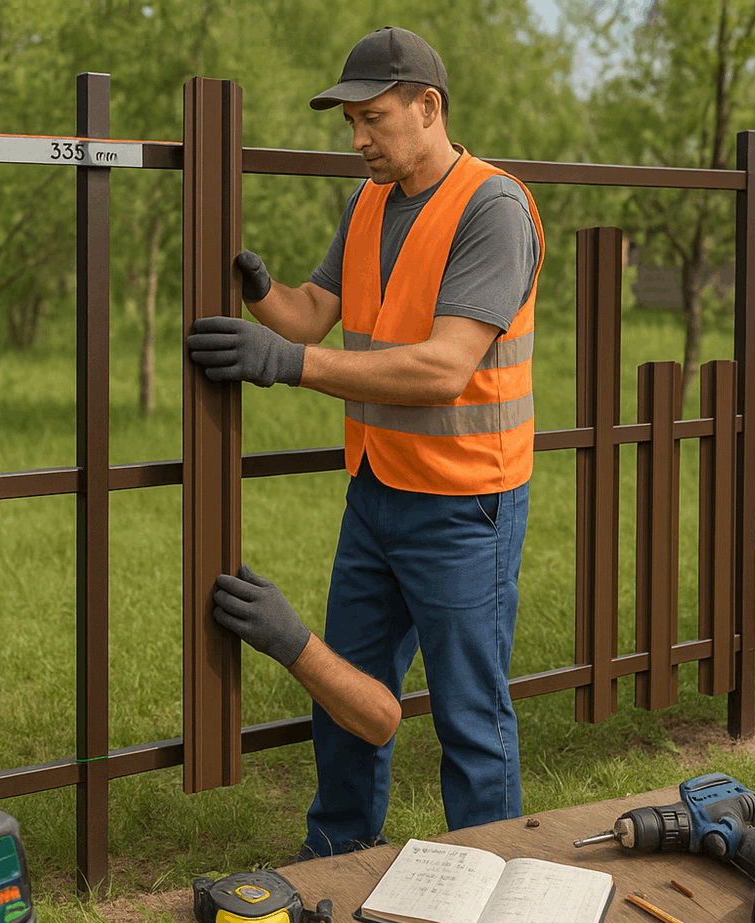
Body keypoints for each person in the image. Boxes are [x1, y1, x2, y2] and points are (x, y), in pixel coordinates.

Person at [188, 24, 544, 858]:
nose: (357, 141)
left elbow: (444, 369)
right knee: (345, 692)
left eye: (372, 119)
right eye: (349, 123)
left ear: (429, 107)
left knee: (470, 713)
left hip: (466, 505)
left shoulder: (493, 207)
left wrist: (286, 362)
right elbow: (317, 312)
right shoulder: (370, 202)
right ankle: (340, 857)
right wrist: (265, 296)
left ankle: (489, 879)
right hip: (378, 492)